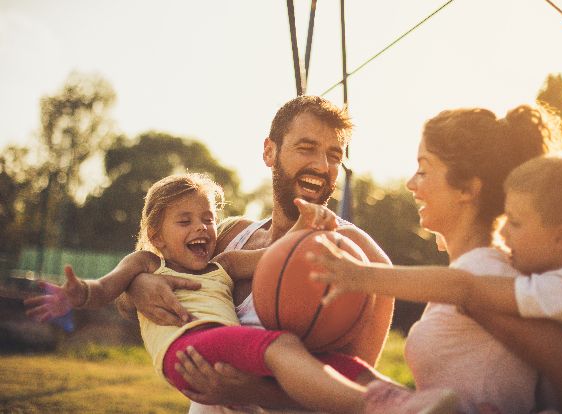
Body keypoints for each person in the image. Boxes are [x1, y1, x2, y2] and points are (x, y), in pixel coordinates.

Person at [24, 172, 456, 414]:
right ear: (156, 233)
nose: (202, 229)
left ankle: (412, 402)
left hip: (226, 350)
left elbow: (278, 255)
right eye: (185, 221)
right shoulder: (145, 264)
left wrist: (314, 223)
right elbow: (105, 289)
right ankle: (377, 407)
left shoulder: (224, 265)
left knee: (337, 362)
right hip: (188, 352)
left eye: (208, 219)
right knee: (282, 345)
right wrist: (77, 294)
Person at [290, 105, 562, 414]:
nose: (411, 184)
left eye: (424, 170)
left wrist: (355, 274)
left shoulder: (484, 280)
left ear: (467, 190)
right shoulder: (478, 272)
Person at [114, 96, 396, 413]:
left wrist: (251, 391)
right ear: (269, 151)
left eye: (334, 155)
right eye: (306, 148)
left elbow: (352, 395)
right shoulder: (230, 236)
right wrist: (138, 286)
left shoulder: (361, 256)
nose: (322, 165)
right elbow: (126, 300)